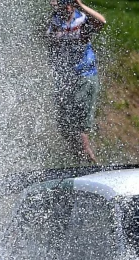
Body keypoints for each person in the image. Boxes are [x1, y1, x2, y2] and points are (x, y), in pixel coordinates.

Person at [46, 0, 106, 163]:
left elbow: (101, 22)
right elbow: (49, 43)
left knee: (79, 128)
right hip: (65, 78)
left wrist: (80, 5)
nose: (64, 6)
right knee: (64, 128)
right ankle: (82, 161)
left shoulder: (81, 19)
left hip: (85, 76)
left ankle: (90, 163)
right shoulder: (54, 22)